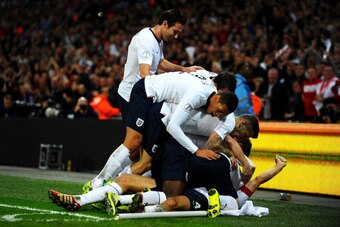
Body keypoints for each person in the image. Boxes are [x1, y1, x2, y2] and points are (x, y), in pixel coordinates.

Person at [84, 71, 238, 191]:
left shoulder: (208, 82)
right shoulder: (199, 94)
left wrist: (184, 69)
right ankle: (98, 182)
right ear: (219, 95)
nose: (217, 116)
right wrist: (196, 150)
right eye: (219, 110)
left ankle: (112, 184)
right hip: (146, 92)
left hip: (157, 104)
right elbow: (173, 126)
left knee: (139, 155)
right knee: (133, 143)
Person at [117, 8, 203, 124]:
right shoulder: (146, 39)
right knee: (135, 140)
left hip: (142, 92)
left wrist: (184, 69)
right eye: (175, 31)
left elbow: (159, 62)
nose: (176, 36)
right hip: (130, 96)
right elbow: (145, 74)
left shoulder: (158, 39)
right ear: (165, 24)